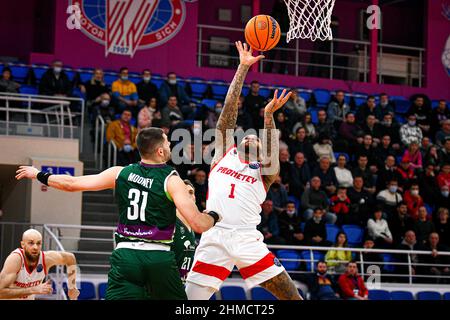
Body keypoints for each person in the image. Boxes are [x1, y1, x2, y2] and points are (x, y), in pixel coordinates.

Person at [15, 127, 218, 300]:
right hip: (157, 256)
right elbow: (199, 224)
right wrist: (216, 216)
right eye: (167, 143)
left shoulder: (120, 172)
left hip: (125, 256)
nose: (170, 146)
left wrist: (39, 175)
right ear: (160, 151)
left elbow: (72, 184)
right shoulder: (171, 179)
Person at [185, 42, 301, 300]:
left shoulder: (265, 173)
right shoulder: (223, 155)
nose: (250, 138)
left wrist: (268, 116)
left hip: (248, 240)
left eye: (256, 139)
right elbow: (229, 110)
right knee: (189, 303)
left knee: (294, 298)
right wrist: (242, 68)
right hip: (214, 237)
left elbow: (272, 150)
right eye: (247, 137)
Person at [0, 229, 79, 300]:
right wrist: (33, 289)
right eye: (31, 243)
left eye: (38, 243)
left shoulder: (46, 259)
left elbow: (70, 258)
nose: (35, 247)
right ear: (22, 244)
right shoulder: (16, 259)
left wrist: (72, 287)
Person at [172, 180, 198, 284]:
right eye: (184, 192)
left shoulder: (193, 225)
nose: (189, 195)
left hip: (182, 284)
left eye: (191, 192)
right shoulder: (168, 220)